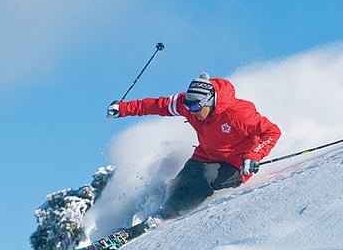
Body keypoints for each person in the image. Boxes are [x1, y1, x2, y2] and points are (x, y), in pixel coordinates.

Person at [106, 72, 282, 239]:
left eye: (197, 106)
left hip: (236, 164)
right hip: (205, 156)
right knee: (183, 179)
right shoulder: (189, 106)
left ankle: (166, 215)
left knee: (203, 179)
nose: (192, 111)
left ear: (210, 101)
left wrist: (254, 155)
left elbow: (272, 131)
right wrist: (123, 109)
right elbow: (157, 105)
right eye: (189, 106)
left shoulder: (239, 114)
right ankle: (154, 213)